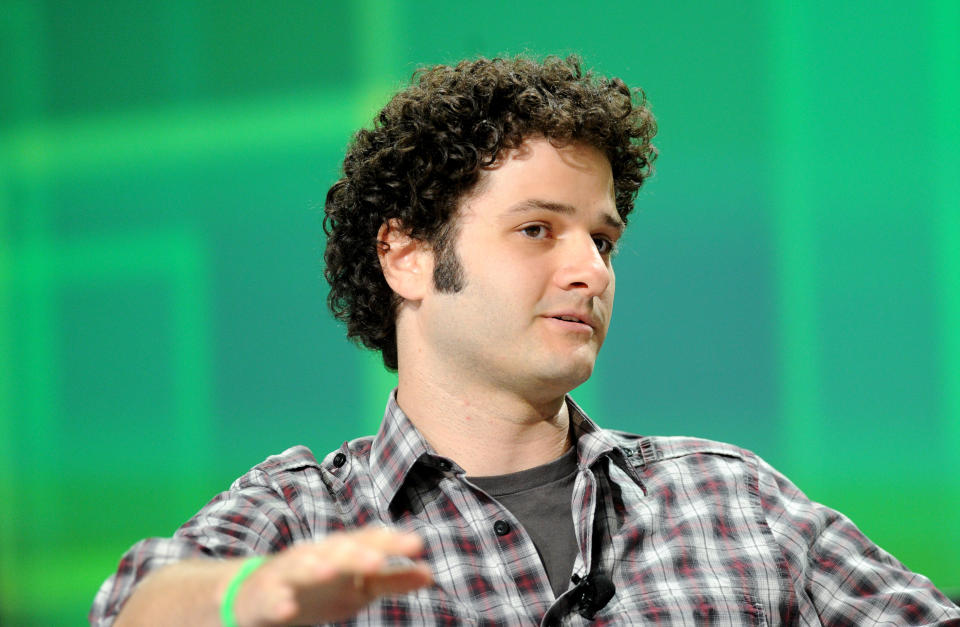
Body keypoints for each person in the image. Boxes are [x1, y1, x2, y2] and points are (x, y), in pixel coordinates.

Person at [90, 55, 959, 626]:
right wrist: (253, 594)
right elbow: (136, 605)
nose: (591, 269)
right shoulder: (306, 516)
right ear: (407, 256)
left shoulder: (734, 501)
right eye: (539, 229)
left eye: (603, 239)